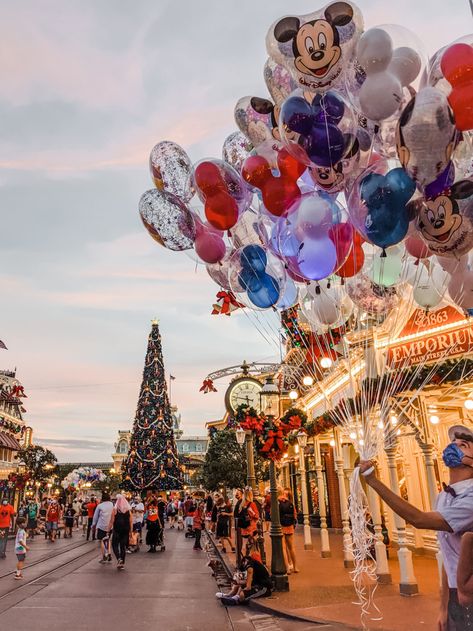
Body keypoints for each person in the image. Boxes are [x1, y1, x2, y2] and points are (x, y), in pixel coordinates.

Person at [360, 424, 473, 631]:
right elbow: (449, 559)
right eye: (453, 443)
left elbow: (419, 520)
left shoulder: (471, 497)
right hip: (456, 596)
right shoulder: (443, 497)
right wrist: (444, 607)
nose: (454, 446)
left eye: (463, 445)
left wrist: (374, 482)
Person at [109, 494, 132, 570]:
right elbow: (131, 521)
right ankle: (122, 563)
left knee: (114, 544)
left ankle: (119, 558)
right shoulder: (128, 510)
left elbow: (112, 521)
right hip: (126, 529)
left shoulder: (115, 510)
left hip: (117, 529)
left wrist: (108, 530)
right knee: (123, 546)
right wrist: (131, 531)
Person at [279, 487, 299, 574]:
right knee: (291, 547)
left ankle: (287, 568)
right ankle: (295, 567)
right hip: (289, 526)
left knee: (283, 548)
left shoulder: (277, 502)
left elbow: (272, 515)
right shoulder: (290, 503)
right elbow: (295, 514)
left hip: (280, 526)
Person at [92, 492, 114, 563]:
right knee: (108, 540)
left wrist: (93, 525)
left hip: (101, 525)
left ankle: (104, 556)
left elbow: (95, 516)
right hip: (110, 526)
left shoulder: (100, 506)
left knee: (102, 540)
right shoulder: (112, 504)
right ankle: (109, 554)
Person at [239, 487, 259, 555]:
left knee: (244, 544)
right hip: (251, 527)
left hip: (244, 527)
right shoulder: (252, 504)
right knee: (253, 546)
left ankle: (244, 560)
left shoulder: (241, 504)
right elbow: (256, 516)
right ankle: (251, 561)